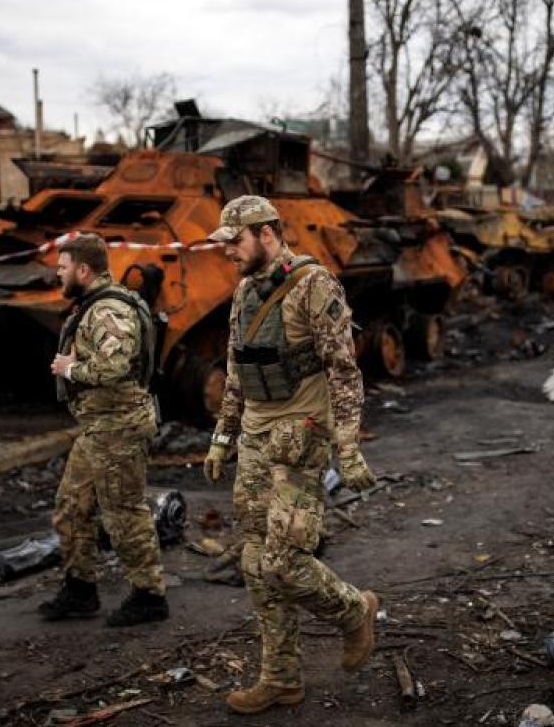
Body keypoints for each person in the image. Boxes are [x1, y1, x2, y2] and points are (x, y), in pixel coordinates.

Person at [202, 195, 379, 715]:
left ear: (267, 233)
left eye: (235, 241)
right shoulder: (243, 294)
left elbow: (345, 373)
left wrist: (347, 445)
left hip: (299, 439)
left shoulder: (314, 286)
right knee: (257, 563)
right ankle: (281, 678)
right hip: (255, 440)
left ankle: (353, 611)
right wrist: (222, 435)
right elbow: (235, 372)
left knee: (284, 562)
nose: (228, 251)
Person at [43, 233, 170, 626]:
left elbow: (115, 368)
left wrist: (71, 369)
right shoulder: (91, 305)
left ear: (83, 270)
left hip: (119, 427)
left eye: (62, 268)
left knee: (123, 512)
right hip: (98, 427)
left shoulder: (107, 311)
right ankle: (80, 590)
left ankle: (150, 596)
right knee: (72, 507)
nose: (58, 275)